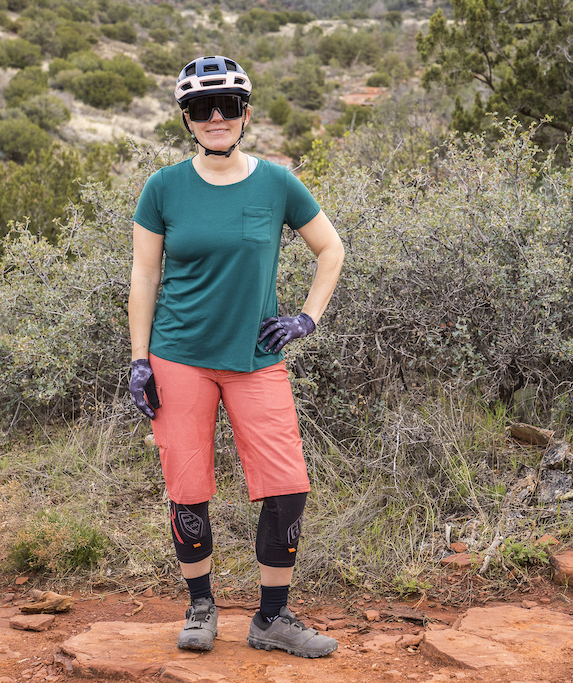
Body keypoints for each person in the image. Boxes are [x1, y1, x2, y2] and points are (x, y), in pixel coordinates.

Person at [127, 55, 345, 658]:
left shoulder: (276, 182)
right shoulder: (163, 188)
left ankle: (271, 619)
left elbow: (331, 250)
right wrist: (138, 359)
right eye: (201, 107)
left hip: (256, 357)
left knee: (286, 487)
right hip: (178, 357)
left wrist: (306, 317)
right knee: (187, 484)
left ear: (245, 114)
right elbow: (144, 278)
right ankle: (201, 608)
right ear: (188, 119)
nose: (216, 116)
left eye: (227, 105)